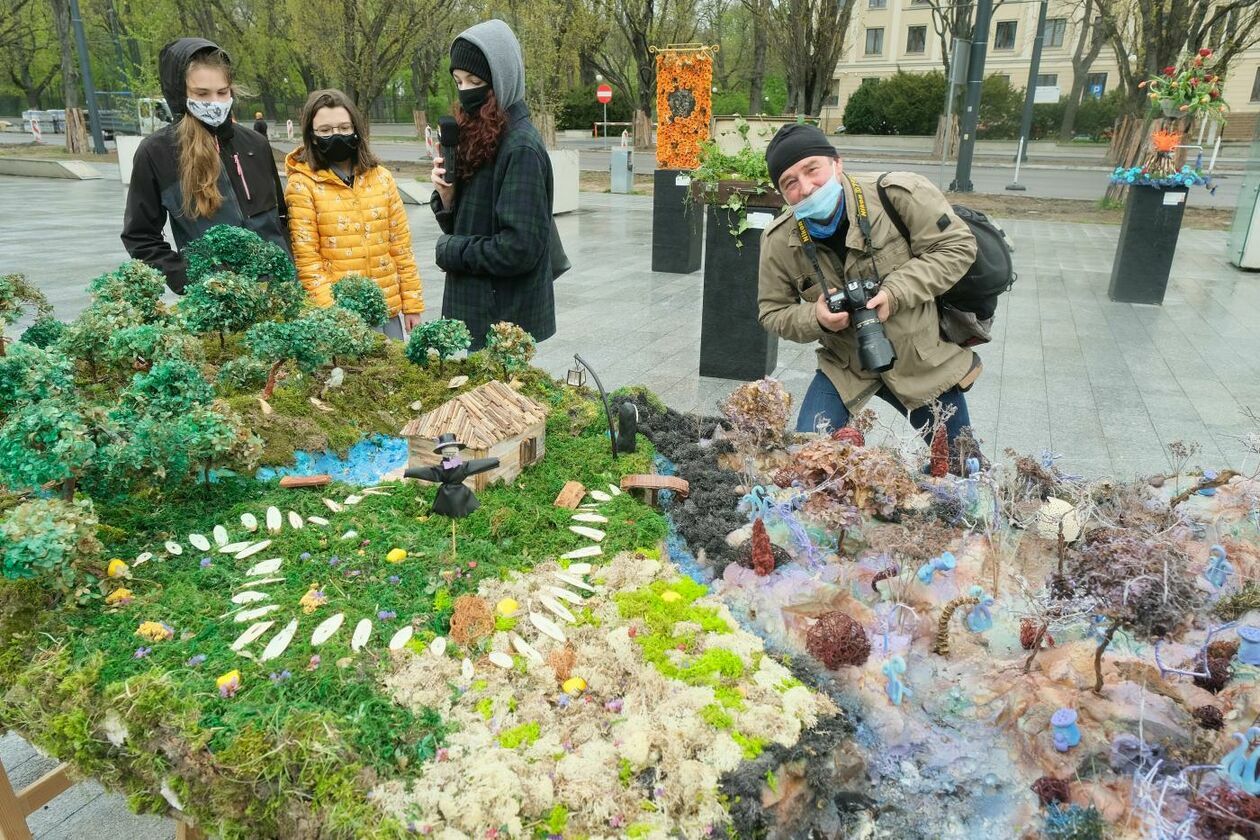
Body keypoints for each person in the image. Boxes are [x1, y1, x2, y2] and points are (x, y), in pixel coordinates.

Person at [757, 123, 983, 458]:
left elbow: (958, 247)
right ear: (781, 193)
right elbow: (771, 312)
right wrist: (815, 317)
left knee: (961, 465)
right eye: (790, 182)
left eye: (812, 169)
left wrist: (895, 292)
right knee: (806, 462)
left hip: (919, 358)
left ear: (837, 163)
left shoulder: (897, 195)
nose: (805, 188)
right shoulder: (778, 242)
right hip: (845, 364)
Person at [122, 38, 288, 294]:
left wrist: (289, 272)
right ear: (180, 93)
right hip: (217, 302)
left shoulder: (255, 143)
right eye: (202, 94)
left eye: (222, 92)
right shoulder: (157, 152)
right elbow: (140, 237)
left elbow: (281, 219)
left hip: (280, 292)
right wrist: (188, 279)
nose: (215, 101)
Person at [429, 19, 555, 350]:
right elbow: (467, 224)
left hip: (500, 324)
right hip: (474, 314)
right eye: (458, 81)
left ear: (502, 78)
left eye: (475, 80)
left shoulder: (520, 146)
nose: (465, 90)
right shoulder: (483, 133)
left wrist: (451, 249)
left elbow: (519, 249)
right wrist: (447, 198)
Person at [284, 89, 423, 338]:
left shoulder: (382, 178)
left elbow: (401, 247)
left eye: (344, 127)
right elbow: (308, 260)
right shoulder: (302, 186)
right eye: (325, 130)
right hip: (340, 316)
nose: (335, 135)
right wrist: (334, 313)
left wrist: (412, 303)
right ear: (312, 136)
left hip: (386, 308)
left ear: (356, 129)